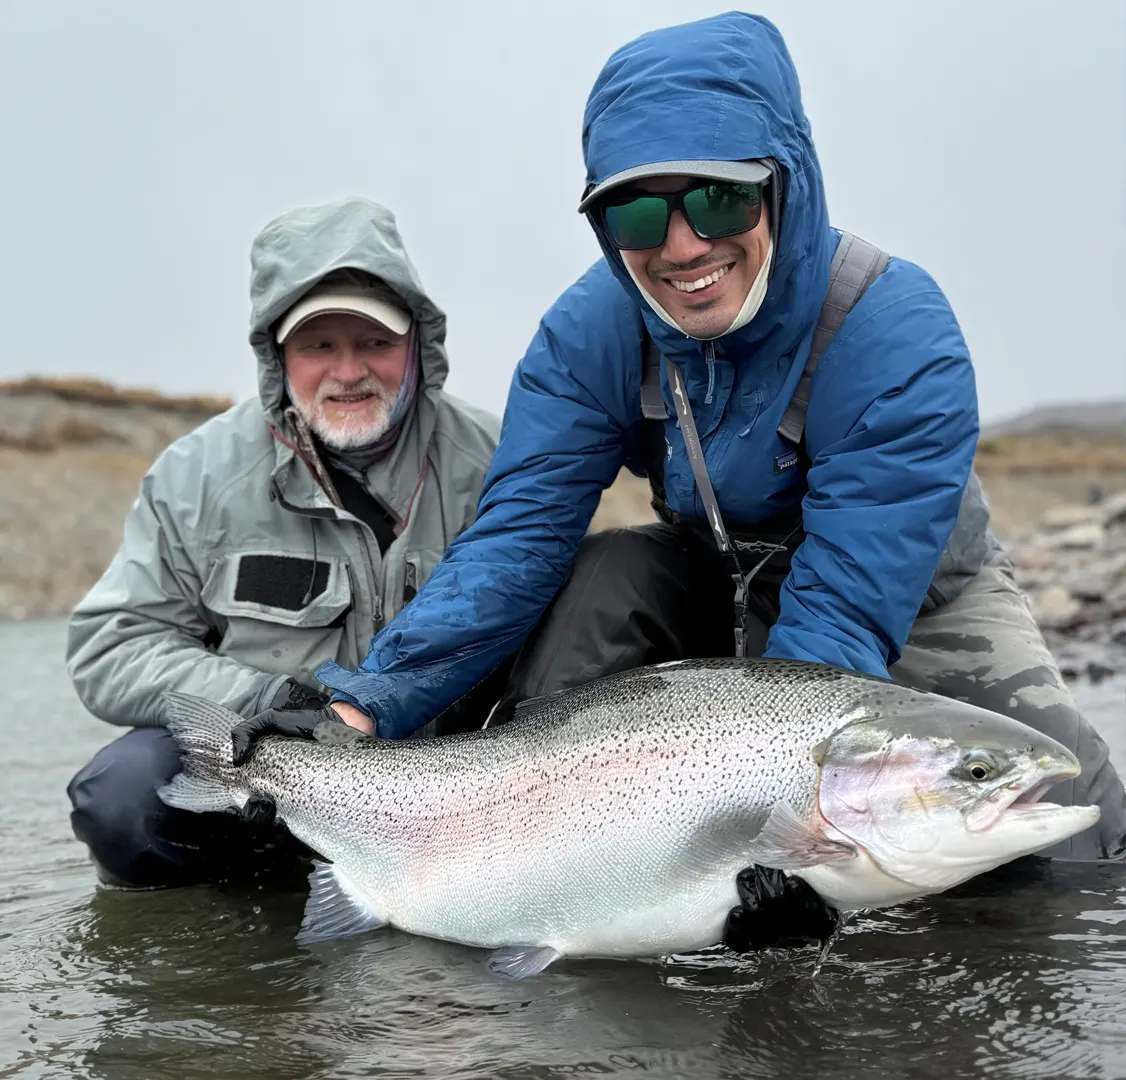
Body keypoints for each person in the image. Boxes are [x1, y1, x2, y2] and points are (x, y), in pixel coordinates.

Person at [244, 13, 1126, 875]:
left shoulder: (896, 331)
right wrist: (360, 703)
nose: (682, 246)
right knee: (605, 575)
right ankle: (551, 862)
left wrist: (792, 842)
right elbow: (518, 539)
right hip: (715, 568)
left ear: (782, 183)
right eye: (635, 216)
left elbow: (846, 610)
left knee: (1067, 836)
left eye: (718, 199)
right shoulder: (589, 331)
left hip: (906, 594)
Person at [65, 196, 501, 888]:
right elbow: (111, 645)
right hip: (270, 786)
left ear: (418, 344)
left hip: (456, 792)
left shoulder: (501, 460)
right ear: (277, 357)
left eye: (376, 343)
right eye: (319, 345)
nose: (349, 370)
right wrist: (267, 696)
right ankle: (250, 925)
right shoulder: (194, 477)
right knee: (120, 795)